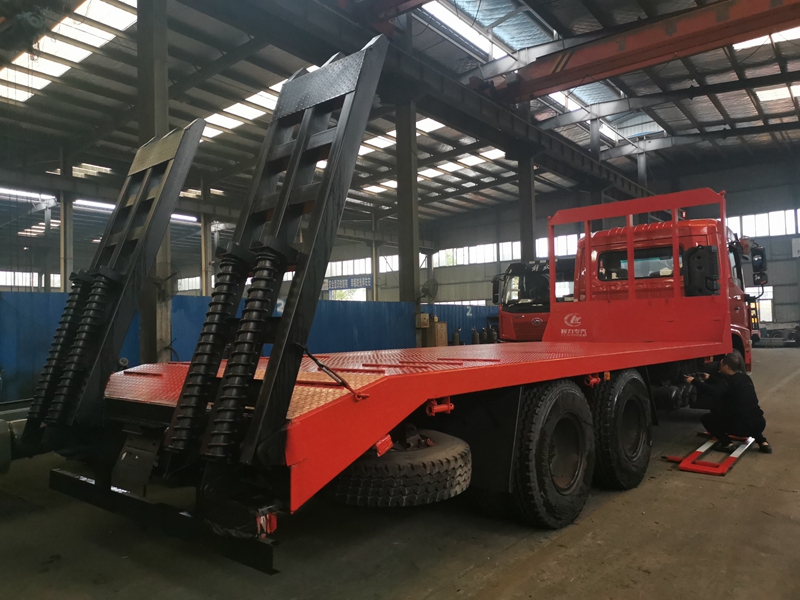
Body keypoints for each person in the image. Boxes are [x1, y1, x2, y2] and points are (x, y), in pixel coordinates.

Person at [685, 353, 772, 454]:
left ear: (726, 367)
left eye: (721, 364)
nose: (720, 366)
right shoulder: (745, 378)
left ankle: (727, 444)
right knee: (749, 415)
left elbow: (712, 390)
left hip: (740, 428)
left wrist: (693, 381)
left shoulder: (727, 383)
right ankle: (762, 442)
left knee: (707, 419)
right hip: (760, 423)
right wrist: (709, 378)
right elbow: (726, 384)